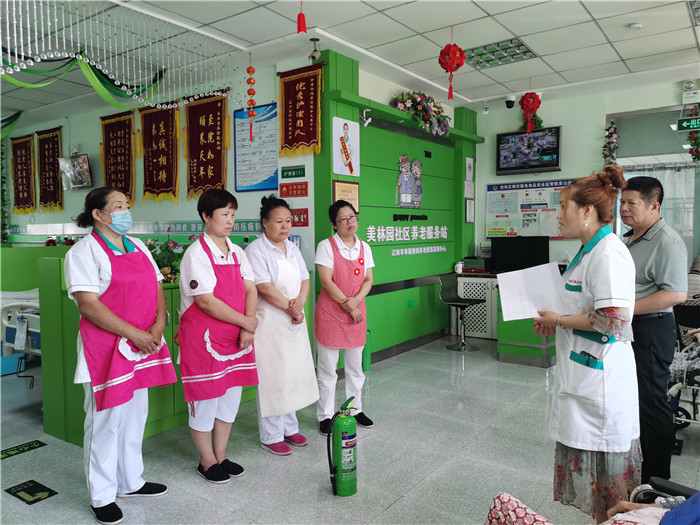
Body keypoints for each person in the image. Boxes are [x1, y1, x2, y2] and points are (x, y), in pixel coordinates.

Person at [532, 166, 640, 523]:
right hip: (584, 373)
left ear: (587, 211)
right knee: (598, 493)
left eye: (563, 206)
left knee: (610, 492)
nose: (558, 215)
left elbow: (614, 320)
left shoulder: (608, 253)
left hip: (601, 382)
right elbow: (581, 307)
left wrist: (560, 320)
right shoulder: (586, 251)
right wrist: (556, 321)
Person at [64, 187, 177, 525]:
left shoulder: (138, 246)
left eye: (127, 205)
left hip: (142, 345)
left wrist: (158, 324)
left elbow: (157, 287)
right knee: (106, 421)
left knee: (135, 415)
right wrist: (135, 334)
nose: (126, 211)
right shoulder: (83, 253)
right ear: (98, 214)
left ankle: (131, 482)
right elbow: (88, 305)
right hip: (105, 349)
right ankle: (101, 495)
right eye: (118, 206)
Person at [177, 189, 259, 484]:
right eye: (224, 214)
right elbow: (206, 301)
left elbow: (250, 288)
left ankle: (221, 455)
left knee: (229, 400)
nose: (230, 220)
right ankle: (206, 460)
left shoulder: (237, 252)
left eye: (233, 214)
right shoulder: (196, 254)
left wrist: (247, 327)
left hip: (236, 339)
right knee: (205, 401)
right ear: (206, 216)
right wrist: (246, 322)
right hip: (204, 341)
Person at [619, 176, 688, 483]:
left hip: (651, 328)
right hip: (631, 326)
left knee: (652, 403)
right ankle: (639, 468)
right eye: (622, 202)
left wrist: (623, 310)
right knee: (635, 400)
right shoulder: (631, 238)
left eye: (631, 203)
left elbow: (676, 294)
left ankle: (656, 481)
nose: (624, 208)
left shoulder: (666, 241)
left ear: (654, 206)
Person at [245, 195, 319, 455]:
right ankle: (271, 435)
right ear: (265, 223)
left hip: (293, 320)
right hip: (271, 323)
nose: (285, 226)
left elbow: (305, 279)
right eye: (279, 221)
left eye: (288, 221)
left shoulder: (292, 247)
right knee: (273, 378)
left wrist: (299, 306)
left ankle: (290, 427)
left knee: (293, 374)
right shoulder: (256, 250)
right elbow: (263, 287)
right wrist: (291, 308)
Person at [314, 199, 375, 435]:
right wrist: (349, 305)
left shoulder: (365, 247)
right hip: (332, 314)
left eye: (353, 217)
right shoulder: (326, 246)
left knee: (355, 367)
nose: (350, 222)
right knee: (328, 369)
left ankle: (355, 409)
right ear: (334, 224)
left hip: (356, 314)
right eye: (344, 219)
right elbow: (326, 281)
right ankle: (325, 415)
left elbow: (368, 279)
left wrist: (356, 301)